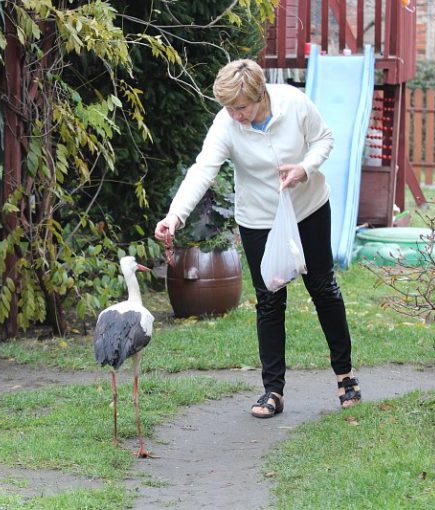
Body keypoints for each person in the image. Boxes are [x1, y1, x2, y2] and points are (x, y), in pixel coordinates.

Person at [154, 59, 361, 418]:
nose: (235, 115)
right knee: (269, 299)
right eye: (229, 108)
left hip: (308, 209)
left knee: (323, 290)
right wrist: (175, 216)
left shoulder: (293, 104)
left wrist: (304, 169)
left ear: (260, 94)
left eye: (241, 107)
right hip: (260, 220)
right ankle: (273, 391)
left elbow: (324, 139)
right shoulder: (227, 124)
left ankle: (345, 377)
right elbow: (203, 170)